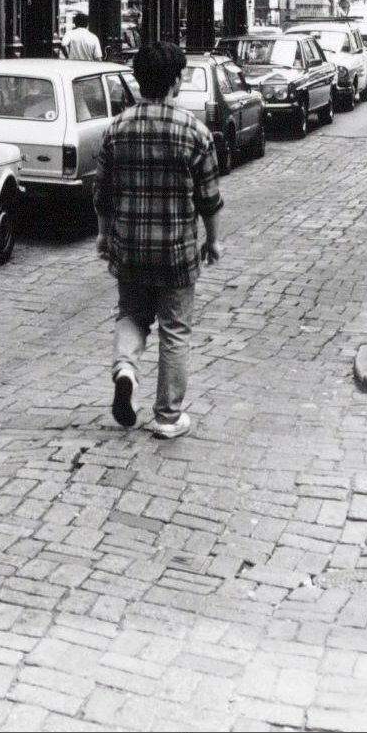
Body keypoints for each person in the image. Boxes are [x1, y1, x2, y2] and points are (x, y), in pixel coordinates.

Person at [90, 37, 221, 442]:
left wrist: (103, 235)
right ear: (175, 81)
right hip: (176, 252)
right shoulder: (194, 131)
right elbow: (209, 197)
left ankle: (125, 370)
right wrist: (213, 241)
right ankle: (167, 417)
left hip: (129, 246)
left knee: (131, 314)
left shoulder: (116, 129)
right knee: (175, 330)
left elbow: (102, 193)